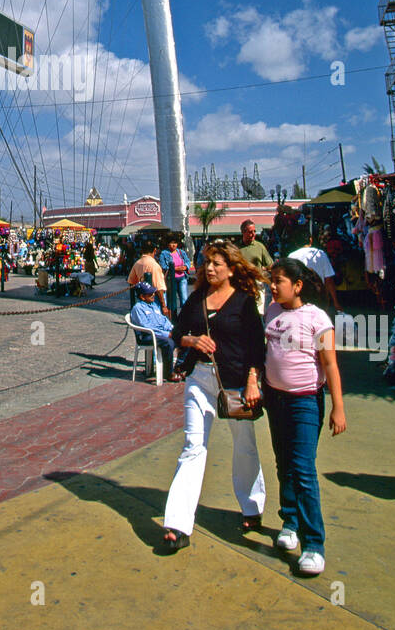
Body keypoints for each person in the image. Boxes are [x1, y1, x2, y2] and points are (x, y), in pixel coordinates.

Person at [162, 240, 268, 550]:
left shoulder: (244, 302)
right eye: (207, 263)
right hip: (199, 379)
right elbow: (176, 332)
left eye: (216, 264)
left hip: (235, 381)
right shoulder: (197, 298)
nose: (209, 268)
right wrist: (193, 341)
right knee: (193, 446)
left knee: (244, 445)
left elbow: (256, 346)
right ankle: (178, 524)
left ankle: (252, 506)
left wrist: (253, 381)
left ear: (231, 269)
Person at [262, 259, 346, 576]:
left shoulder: (317, 318)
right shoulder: (271, 312)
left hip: (305, 403)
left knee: (303, 469)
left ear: (297, 286)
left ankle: (314, 545)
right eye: (271, 280)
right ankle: (290, 522)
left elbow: (330, 365)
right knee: (283, 463)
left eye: (279, 281)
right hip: (275, 399)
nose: (272, 286)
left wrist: (338, 407)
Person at [129, 280, 181, 382]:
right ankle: (168, 373)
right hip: (148, 336)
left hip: (160, 333)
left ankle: (180, 367)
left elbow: (163, 320)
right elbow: (147, 327)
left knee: (184, 338)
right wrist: (166, 334)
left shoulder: (154, 305)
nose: (153, 295)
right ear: (142, 296)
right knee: (168, 342)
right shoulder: (138, 308)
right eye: (150, 294)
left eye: (153, 293)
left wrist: (172, 329)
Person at [288, 243, 343, 313]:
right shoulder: (320, 254)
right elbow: (329, 280)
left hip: (300, 297)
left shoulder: (291, 256)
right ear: (310, 240)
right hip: (319, 297)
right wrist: (335, 302)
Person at [128, 242, 169, 315]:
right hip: (155, 298)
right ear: (155, 250)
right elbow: (159, 288)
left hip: (143, 297)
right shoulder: (154, 265)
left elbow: (131, 282)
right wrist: (164, 306)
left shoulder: (137, 263)